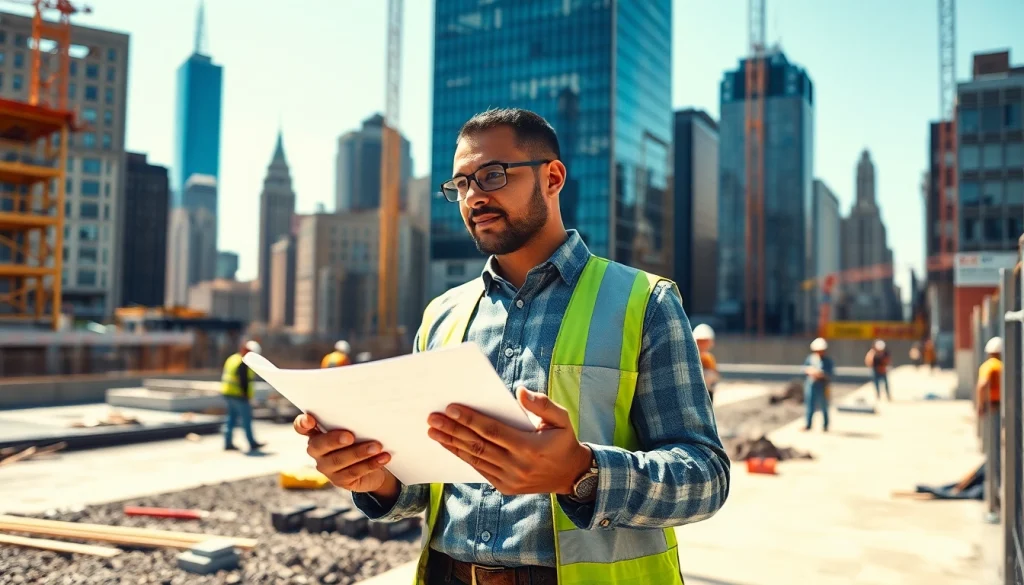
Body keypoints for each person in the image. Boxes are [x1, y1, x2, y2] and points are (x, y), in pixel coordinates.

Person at [294, 108, 729, 585]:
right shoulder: (443, 315)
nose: (473, 197)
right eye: (460, 185)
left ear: (553, 177)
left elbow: (705, 477)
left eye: (492, 175)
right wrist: (373, 475)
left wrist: (583, 473)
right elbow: (423, 487)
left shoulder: (645, 302)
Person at [221, 340, 265, 452]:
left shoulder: (232, 358)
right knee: (246, 420)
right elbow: (243, 381)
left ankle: (228, 443)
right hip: (239, 395)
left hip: (228, 392)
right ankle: (252, 442)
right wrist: (247, 396)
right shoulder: (243, 362)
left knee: (231, 418)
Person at [977, 336, 1003, 492]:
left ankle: (993, 477)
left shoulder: (988, 366)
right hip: (1001, 405)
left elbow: (982, 385)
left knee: (993, 442)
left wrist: (981, 405)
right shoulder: (1001, 365)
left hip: (992, 406)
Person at [803, 337, 834, 432]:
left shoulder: (827, 361)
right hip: (811, 385)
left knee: (824, 406)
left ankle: (825, 425)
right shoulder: (811, 358)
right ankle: (808, 424)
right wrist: (811, 371)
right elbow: (805, 368)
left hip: (823, 385)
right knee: (810, 405)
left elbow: (830, 374)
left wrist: (821, 375)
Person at [693, 324, 720, 403]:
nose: (702, 344)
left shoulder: (709, 358)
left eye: (705, 342)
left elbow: (714, 374)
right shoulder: (695, 357)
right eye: (700, 342)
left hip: (708, 389)